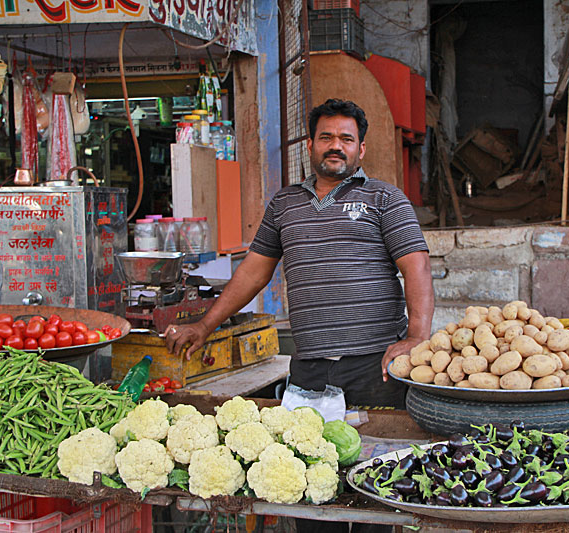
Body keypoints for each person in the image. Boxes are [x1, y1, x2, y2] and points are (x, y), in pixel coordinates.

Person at [165, 98, 434, 408]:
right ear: (309, 145)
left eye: (346, 139)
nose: (335, 146)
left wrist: (416, 337)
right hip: (309, 367)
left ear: (360, 150)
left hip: (376, 363)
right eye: (326, 138)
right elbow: (253, 273)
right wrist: (203, 326)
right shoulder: (284, 204)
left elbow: (418, 269)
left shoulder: (385, 198)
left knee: (384, 447)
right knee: (306, 451)